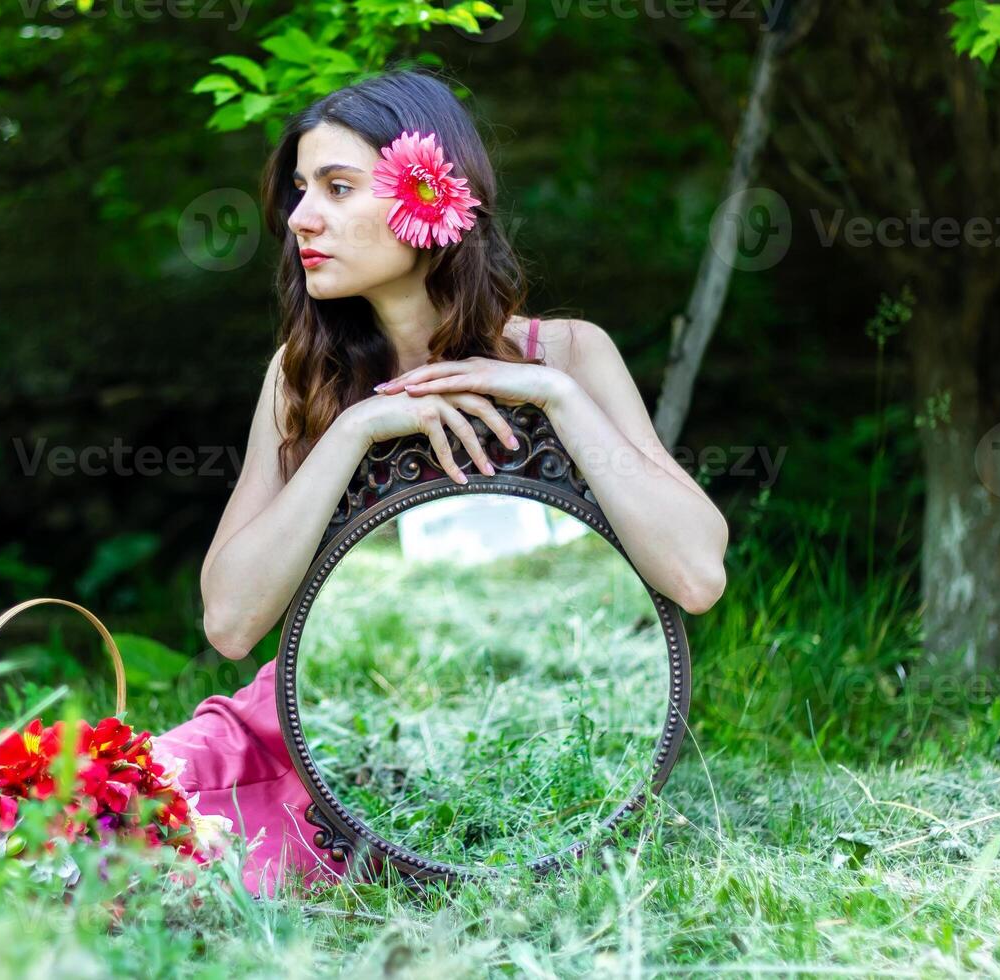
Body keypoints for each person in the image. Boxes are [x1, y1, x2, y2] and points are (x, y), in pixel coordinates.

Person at [151, 67, 729, 898]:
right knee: (73, 804)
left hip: (475, 742)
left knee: (194, 868)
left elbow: (695, 575)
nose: (300, 218)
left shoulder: (565, 355)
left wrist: (556, 398)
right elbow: (232, 624)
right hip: (297, 723)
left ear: (431, 200)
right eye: (301, 191)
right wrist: (351, 432)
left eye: (337, 187)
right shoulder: (301, 377)